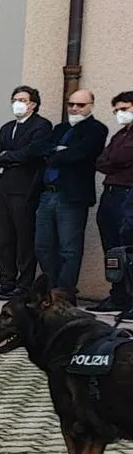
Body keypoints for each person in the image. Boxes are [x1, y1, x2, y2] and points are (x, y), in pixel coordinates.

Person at [35, 90, 109, 293]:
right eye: (71, 104)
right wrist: (58, 152)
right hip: (48, 193)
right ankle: (50, 288)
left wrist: (58, 153)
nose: (74, 108)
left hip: (72, 195)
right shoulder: (60, 128)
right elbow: (42, 150)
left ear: (91, 105)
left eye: (80, 105)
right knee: (42, 245)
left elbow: (80, 154)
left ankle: (64, 291)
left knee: (69, 246)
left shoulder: (96, 129)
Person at [0, 86, 52, 299]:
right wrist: (9, 157)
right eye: (15, 99)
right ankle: (6, 281)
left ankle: (24, 285)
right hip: (2, 186)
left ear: (33, 103)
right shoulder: (7, 127)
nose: (18, 103)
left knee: (24, 238)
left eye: (22, 99)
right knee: (4, 238)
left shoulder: (41, 126)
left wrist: (8, 156)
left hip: (24, 188)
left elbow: (31, 153)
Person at [91, 91, 133, 312]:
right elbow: (102, 161)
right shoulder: (119, 135)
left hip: (127, 194)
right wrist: (114, 163)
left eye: (124, 109)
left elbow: (118, 158)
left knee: (127, 247)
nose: (119, 114)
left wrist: (114, 162)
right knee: (112, 248)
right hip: (110, 193)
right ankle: (117, 296)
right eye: (116, 110)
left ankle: (130, 297)